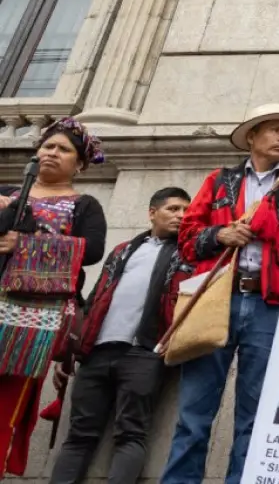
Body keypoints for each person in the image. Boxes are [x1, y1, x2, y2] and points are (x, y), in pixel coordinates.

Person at [164, 104, 279, 484]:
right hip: (216, 300)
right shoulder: (220, 181)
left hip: (271, 308)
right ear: (252, 136)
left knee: (254, 416)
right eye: (275, 129)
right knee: (193, 414)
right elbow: (186, 240)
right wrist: (219, 235)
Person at [49, 187, 191, 484]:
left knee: (131, 432)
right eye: (174, 209)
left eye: (185, 211)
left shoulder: (188, 252)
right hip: (97, 351)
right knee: (79, 435)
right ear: (153, 212)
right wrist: (70, 352)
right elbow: (95, 299)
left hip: (144, 352)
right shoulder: (123, 250)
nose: (181, 216)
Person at [0, 118, 106, 477]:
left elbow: (91, 250)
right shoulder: (9, 193)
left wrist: (26, 242)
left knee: (6, 402)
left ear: (79, 164)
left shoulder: (84, 205)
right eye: (48, 146)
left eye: (63, 149)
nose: (52, 153)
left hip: (33, 317)